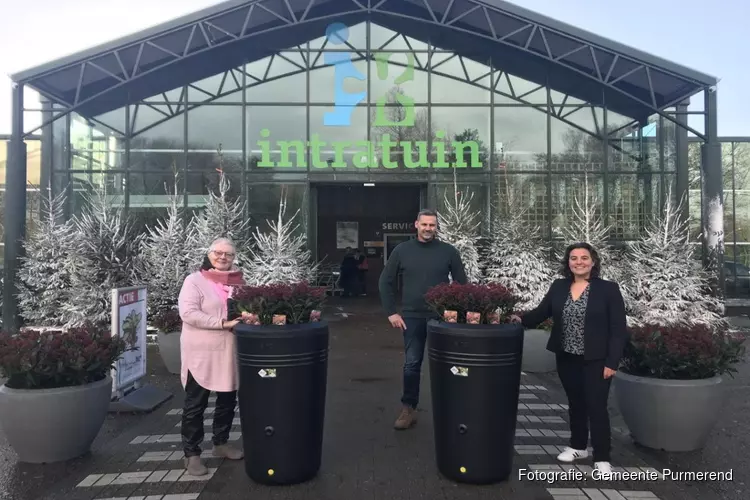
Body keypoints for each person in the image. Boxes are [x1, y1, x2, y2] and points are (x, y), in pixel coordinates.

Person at [511, 242, 628, 475]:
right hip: (567, 357)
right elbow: (541, 313)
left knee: (596, 406)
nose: (579, 262)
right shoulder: (559, 286)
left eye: (584, 258)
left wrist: (612, 362)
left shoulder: (608, 289)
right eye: (574, 258)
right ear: (568, 263)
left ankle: (602, 457)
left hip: (597, 359)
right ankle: (578, 446)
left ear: (593, 262)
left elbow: (618, 329)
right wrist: (517, 319)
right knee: (576, 404)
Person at [378, 208, 467, 430]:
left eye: (432, 225)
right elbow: (385, 282)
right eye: (424, 224)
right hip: (412, 317)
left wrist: (455, 311)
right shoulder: (402, 250)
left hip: (442, 319)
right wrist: (391, 312)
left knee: (451, 364)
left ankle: (453, 408)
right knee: (412, 364)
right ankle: (409, 408)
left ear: (437, 227)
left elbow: (461, 285)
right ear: (416, 225)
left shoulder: (448, 252)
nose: (428, 229)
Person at [178, 237, 251, 476]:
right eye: (218, 253)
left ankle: (221, 443)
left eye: (228, 254)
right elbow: (188, 313)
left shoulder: (239, 283)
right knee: (195, 404)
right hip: (201, 352)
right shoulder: (194, 281)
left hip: (230, 351)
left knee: (228, 400)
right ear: (209, 255)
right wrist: (222, 323)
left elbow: (246, 310)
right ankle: (192, 455)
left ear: (234, 258)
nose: (223, 257)